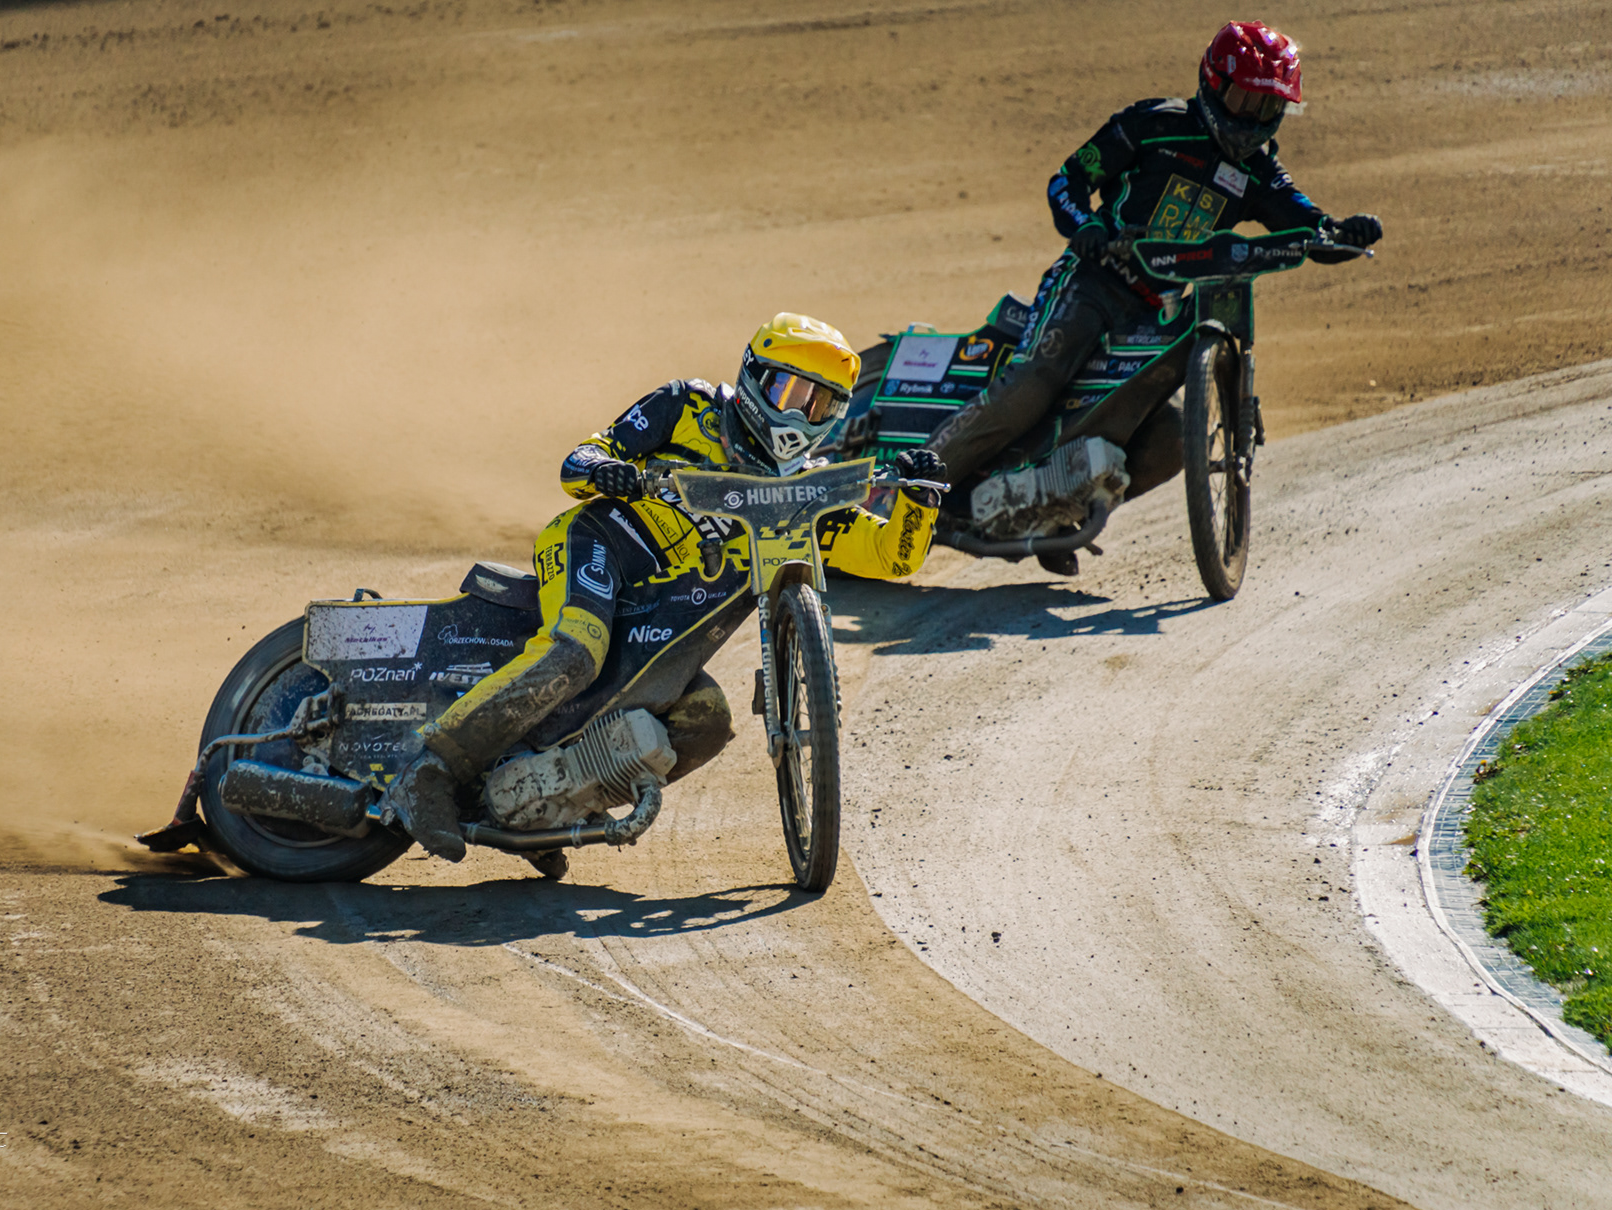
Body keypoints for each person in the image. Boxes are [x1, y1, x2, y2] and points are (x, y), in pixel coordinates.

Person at [382, 314, 946, 861]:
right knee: (577, 648)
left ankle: (552, 808)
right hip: (601, 542)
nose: (800, 413)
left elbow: (887, 556)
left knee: (707, 722)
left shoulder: (803, 492)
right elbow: (581, 458)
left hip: (664, 624)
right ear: (754, 377)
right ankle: (428, 771)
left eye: (819, 404)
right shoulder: (688, 405)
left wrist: (918, 502)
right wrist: (605, 470)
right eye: (789, 391)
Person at [929, 20, 1383, 575]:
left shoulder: (1260, 173)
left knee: (1173, 438)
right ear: (1212, 84)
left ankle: (1053, 515)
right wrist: (1085, 227)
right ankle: (913, 485)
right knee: (1034, 383)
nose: (1251, 120)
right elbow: (1067, 180)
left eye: (1267, 107)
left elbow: (1309, 227)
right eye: (1243, 100)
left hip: (1158, 314)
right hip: (1092, 282)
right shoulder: (1152, 125)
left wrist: (1346, 233)